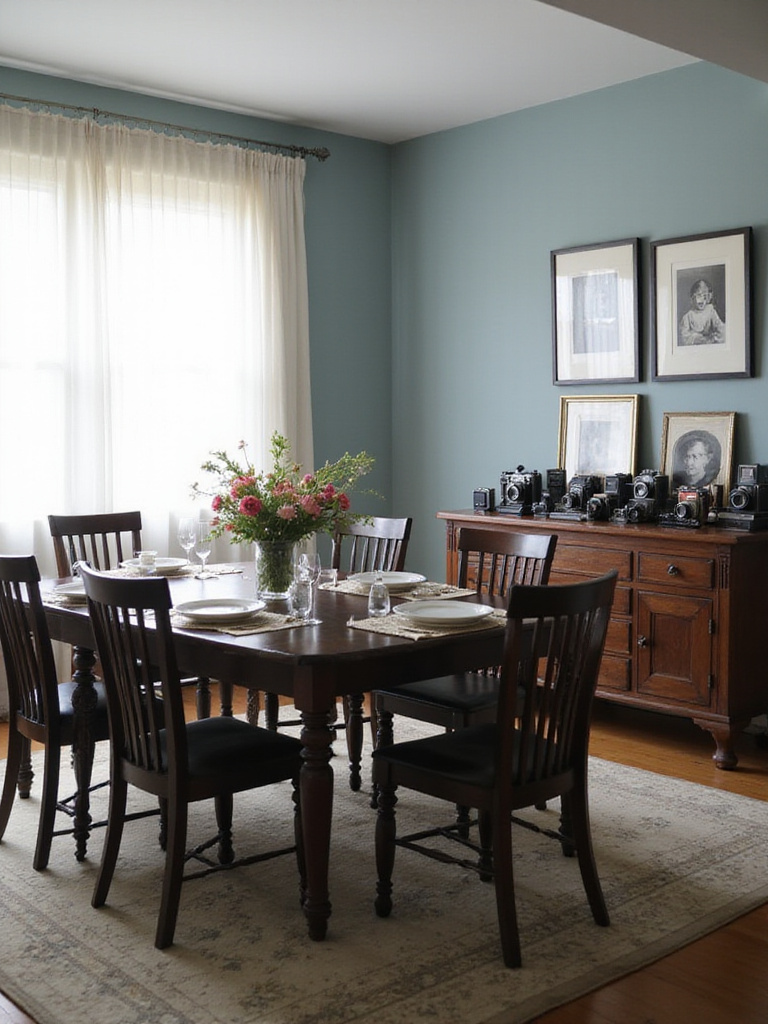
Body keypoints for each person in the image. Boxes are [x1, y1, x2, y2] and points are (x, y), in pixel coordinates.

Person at [679, 278, 725, 346]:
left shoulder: (710, 311)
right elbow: (683, 338)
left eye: (705, 296)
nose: (702, 300)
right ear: (692, 298)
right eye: (699, 296)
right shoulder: (688, 316)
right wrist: (700, 339)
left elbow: (720, 326)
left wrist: (716, 336)